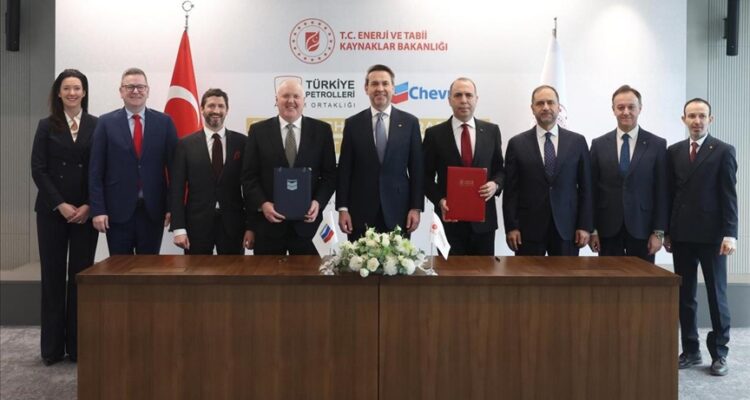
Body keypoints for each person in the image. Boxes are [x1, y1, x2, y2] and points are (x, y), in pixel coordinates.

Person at [665, 98, 738, 376]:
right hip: (682, 236)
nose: (697, 121)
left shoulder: (723, 151)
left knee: (717, 295)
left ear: (711, 119)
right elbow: (670, 194)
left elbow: (729, 196)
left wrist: (730, 233)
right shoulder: (674, 152)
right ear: (683, 119)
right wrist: (667, 231)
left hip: (713, 238)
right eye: (692, 116)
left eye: (702, 116)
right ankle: (691, 350)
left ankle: (720, 353)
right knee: (685, 296)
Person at [31, 69, 99, 365]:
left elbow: (101, 169)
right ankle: (52, 348)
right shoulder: (46, 125)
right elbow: (38, 169)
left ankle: (78, 347)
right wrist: (60, 204)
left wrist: (89, 206)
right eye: (67, 88)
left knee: (80, 277)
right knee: (53, 277)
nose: (72, 93)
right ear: (58, 93)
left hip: (85, 213)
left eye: (77, 88)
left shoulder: (97, 125)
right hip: (52, 212)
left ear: (84, 92)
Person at [89, 68, 178, 254]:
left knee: (149, 267)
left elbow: (175, 171)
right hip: (116, 211)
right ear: (121, 91)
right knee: (119, 267)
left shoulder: (165, 123)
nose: (135, 91)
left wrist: (172, 207)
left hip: (153, 211)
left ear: (148, 90)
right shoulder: (105, 123)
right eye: (130, 87)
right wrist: (98, 210)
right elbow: (95, 171)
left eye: (140, 87)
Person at [241, 79, 336, 254]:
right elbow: (249, 177)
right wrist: (263, 204)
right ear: (276, 100)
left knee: (307, 273)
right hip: (268, 227)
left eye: (296, 96)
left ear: (304, 101)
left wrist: (318, 202)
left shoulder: (322, 131)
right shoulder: (258, 131)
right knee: (267, 273)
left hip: (308, 228)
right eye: (285, 96)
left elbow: (330, 175)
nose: (291, 101)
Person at [337, 64, 424, 240]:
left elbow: (417, 169)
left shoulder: (410, 123)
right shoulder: (353, 124)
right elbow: (345, 170)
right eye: (374, 84)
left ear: (393, 88)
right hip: (360, 212)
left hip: (399, 211)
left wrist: (416, 207)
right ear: (366, 88)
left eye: (385, 83)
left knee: (397, 259)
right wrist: (343, 208)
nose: (380, 88)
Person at [503, 85, 592, 255]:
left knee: (566, 274)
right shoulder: (517, 144)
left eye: (550, 102)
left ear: (559, 107)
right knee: (528, 274)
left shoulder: (577, 142)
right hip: (528, 230)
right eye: (540, 103)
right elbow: (511, 191)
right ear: (532, 108)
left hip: (568, 229)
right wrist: (512, 227)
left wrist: (585, 225)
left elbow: (586, 188)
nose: (545, 107)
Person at [423, 77, 504, 255]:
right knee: (449, 273)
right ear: (449, 100)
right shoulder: (434, 134)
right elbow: (425, 177)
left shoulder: (492, 131)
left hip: (484, 224)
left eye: (468, 95)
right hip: (449, 222)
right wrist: (440, 200)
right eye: (458, 95)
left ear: (476, 99)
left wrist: (495, 184)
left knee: (484, 272)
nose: (464, 100)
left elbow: (501, 170)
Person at [589, 85, 668, 262]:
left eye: (631, 107)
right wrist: (592, 229)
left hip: (643, 228)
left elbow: (662, 191)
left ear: (640, 108)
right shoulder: (598, 144)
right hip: (607, 229)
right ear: (613, 110)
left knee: (643, 279)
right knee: (608, 277)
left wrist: (659, 232)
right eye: (620, 107)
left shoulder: (657, 145)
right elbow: (591, 190)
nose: (626, 112)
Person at [170, 88, 253, 254]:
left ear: (227, 110)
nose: (216, 110)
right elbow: (177, 189)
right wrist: (178, 227)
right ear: (202, 109)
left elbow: (250, 187)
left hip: (233, 224)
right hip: (196, 226)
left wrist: (251, 227)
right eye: (211, 106)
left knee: (233, 270)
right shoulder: (185, 145)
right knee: (196, 271)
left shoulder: (243, 143)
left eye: (221, 106)